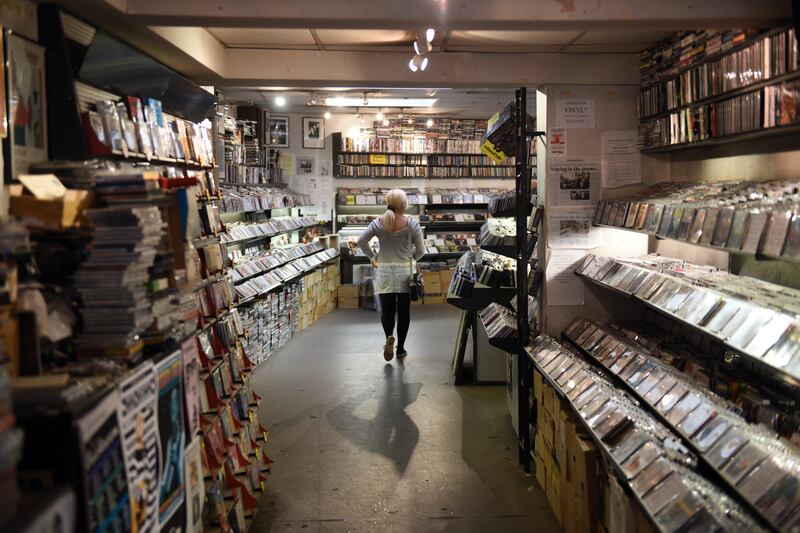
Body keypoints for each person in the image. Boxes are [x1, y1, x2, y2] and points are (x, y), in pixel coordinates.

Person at [357, 189, 425, 361]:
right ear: (403, 205)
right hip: (405, 272)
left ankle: (389, 337)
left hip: (384, 271)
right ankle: (400, 348)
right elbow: (422, 251)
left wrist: (373, 257)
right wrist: (412, 259)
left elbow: (361, 241)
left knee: (387, 311)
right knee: (404, 312)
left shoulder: (378, 223)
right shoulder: (412, 224)